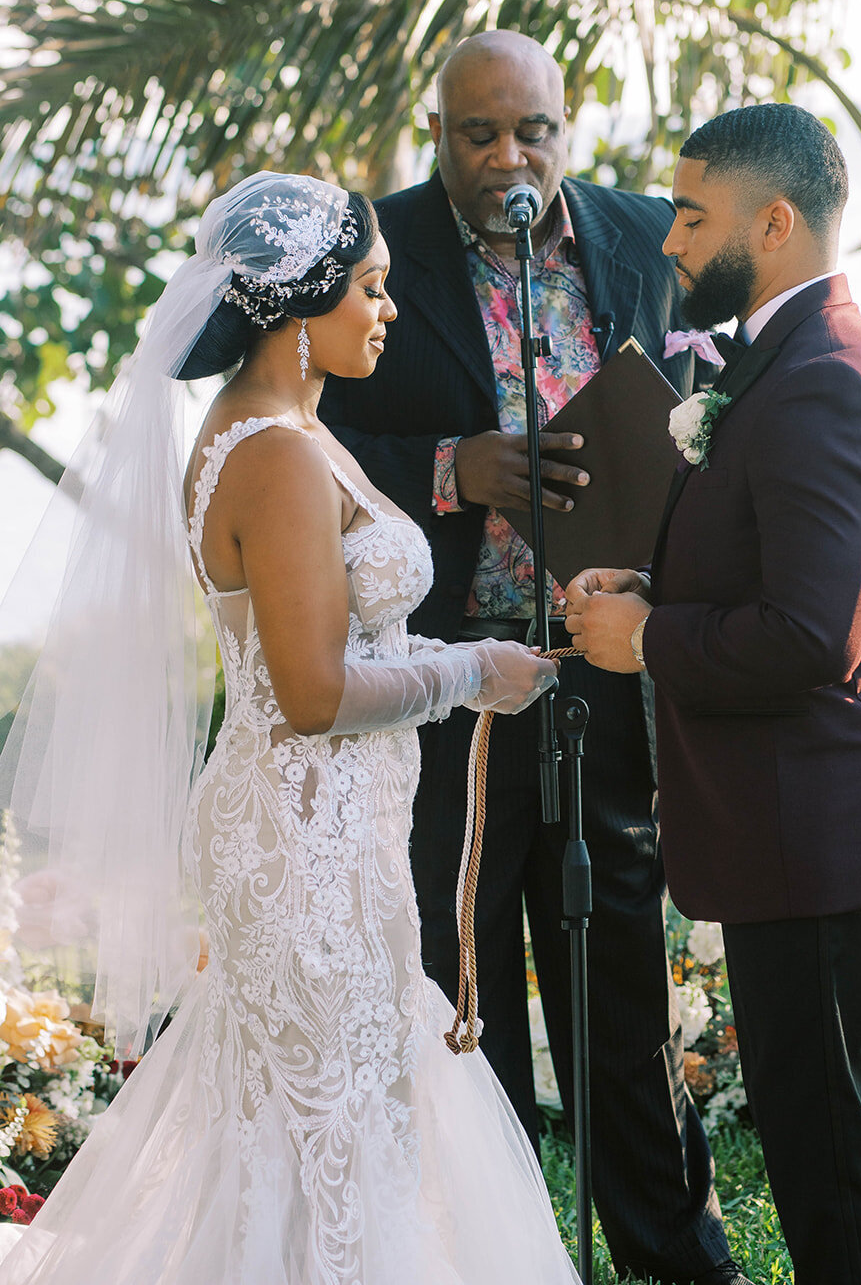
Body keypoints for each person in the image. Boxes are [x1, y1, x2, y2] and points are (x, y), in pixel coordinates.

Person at [0, 172, 582, 1284]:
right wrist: (471, 671)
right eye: (370, 286)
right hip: (300, 840)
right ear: (297, 303)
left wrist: (490, 665)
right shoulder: (271, 452)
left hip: (334, 827)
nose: (389, 309)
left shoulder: (296, 431)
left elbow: (344, 644)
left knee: (321, 1108)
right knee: (328, 1113)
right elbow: (311, 693)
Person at [318, 31, 751, 1285]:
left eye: (533, 131)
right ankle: (488, 1253)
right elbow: (299, 436)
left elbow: (715, 402)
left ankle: (672, 1251)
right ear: (437, 134)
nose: (509, 156)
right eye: (478, 134)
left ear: (567, 126)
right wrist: (454, 469)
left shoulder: (641, 237)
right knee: (461, 975)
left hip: (600, 661)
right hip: (445, 677)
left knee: (618, 966)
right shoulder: (374, 249)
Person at [565, 103, 861, 1285]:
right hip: (789, 814)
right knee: (808, 1128)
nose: (669, 241)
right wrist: (658, 587)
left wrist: (647, 637)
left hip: (818, 814)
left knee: (824, 1146)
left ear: (773, 223)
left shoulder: (822, 377)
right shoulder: (781, 358)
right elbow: (778, 567)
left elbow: (809, 635)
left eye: (693, 217)